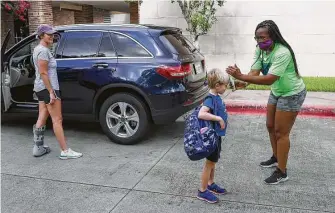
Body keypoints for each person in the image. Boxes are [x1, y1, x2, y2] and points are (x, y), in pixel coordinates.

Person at [226, 20, 306, 184]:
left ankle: (282, 172)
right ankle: (276, 157)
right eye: (256, 38)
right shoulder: (259, 50)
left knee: (281, 132)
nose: (259, 41)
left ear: (273, 36)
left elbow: (269, 79)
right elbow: (255, 71)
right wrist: (243, 82)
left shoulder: (282, 52)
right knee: (270, 126)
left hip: (291, 93)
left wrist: (241, 76)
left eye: (262, 37)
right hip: (277, 91)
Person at [32, 24, 83, 160]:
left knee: (42, 116)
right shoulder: (43, 51)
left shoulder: (38, 49)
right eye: (49, 34)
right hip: (48, 88)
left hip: (40, 87)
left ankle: (38, 148)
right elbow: (43, 72)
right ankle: (65, 151)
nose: (52, 36)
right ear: (41, 36)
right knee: (57, 119)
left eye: (53, 34)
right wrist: (51, 92)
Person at [197, 68, 229, 203]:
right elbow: (201, 113)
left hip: (217, 136)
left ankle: (211, 183)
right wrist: (218, 118)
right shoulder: (210, 98)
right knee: (209, 163)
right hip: (212, 136)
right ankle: (202, 191)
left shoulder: (217, 97)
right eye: (225, 85)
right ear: (217, 85)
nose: (226, 87)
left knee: (213, 162)